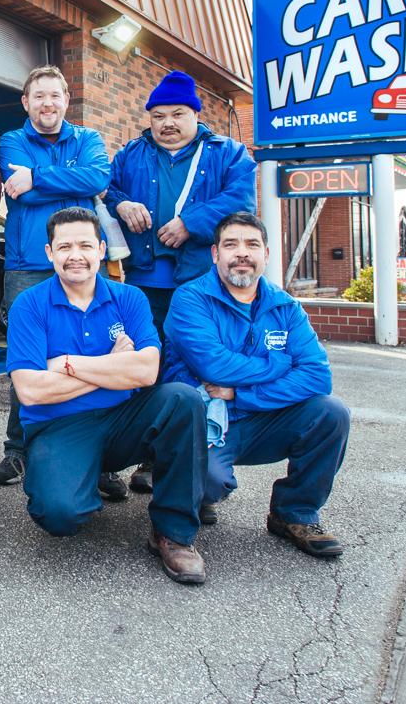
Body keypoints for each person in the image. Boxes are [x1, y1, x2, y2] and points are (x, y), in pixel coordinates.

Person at [6, 207, 208, 584]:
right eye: (64, 246)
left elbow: (146, 371)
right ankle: (85, 475)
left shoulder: (129, 298)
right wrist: (111, 365)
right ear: (50, 253)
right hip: (59, 425)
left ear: (101, 249)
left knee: (183, 399)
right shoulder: (29, 305)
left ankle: (174, 533)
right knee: (58, 515)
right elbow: (31, 391)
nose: (75, 255)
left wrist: (66, 363)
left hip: (124, 416)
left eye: (85, 245)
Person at [163, 211, 350, 557]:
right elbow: (212, 365)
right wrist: (280, 364)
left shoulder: (286, 307)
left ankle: (294, 514)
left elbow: (316, 375)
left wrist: (243, 392)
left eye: (252, 244)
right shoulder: (190, 299)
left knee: (330, 413)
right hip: (208, 421)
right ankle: (189, 495)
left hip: (261, 416)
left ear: (266, 253)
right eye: (231, 244)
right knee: (209, 484)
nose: (242, 253)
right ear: (215, 254)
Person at [106, 69, 256, 497]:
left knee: (190, 367)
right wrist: (124, 204)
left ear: (195, 114)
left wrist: (191, 222)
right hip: (141, 283)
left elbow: (241, 201)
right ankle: (135, 454)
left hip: (199, 285)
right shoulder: (131, 154)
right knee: (139, 366)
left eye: (177, 113)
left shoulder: (229, 154)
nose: (167, 123)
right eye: (158, 115)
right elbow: (110, 192)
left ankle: (177, 462)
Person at [0, 65, 111, 487]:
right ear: (26, 102)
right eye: (38, 95)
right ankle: (17, 449)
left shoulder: (89, 140)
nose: (47, 103)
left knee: (93, 351)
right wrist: (64, 184)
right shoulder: (11, 140)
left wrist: (38, 177)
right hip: (27, 264)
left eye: (54, 95)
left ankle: (99, 455)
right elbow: (16, 187)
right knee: (25, 358)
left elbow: (98, 177)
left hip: (81, 259)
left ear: (66, 100)